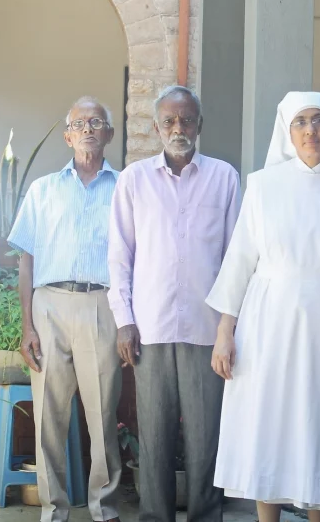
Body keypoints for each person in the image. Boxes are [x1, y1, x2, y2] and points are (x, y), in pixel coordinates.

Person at [206, 91, 320, 522]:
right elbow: (239, 261)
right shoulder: (263, 184)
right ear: (287, 131)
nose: (311, 130)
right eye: (301, 122)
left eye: (319, 121)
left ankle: (317, 518)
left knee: (318, 422)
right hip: (266, 320)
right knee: (265, 421)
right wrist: (224, 333)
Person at [108, 85, 240, 522]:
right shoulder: (134, 180)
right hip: (152, 327)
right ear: (155, 128)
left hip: (207, 331)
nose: (177, 128)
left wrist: (229, 327)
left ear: (199, 125)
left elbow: (235, 260)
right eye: (168, 121)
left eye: (186, 120)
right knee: (156, 438)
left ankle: (206, 516)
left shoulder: (224, 177)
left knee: (206, 439)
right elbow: (120, 256)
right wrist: (124, 321)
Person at [9, 97, 122, 522]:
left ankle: (104, 509)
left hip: (102, 305)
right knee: (49, 418)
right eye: (79, 123)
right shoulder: (43, 189)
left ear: (109, 133)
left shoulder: (125, 187)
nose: (88, 128)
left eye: (97, 122)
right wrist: (27, 326)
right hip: (50, 306)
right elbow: (26, 259)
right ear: (67, 135)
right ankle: (53, 510)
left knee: (102, 414)